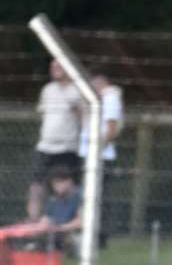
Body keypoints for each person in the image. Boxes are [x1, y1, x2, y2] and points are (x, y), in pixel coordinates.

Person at [27, 61, 82, 222]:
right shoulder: (48, 90)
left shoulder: (78, 90)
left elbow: (84, 118)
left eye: (59, 66)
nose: (54, 69)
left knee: (67, 187)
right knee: (36, 185)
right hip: (45, 146)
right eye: (52, 67)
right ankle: (33, 220)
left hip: (67, 147)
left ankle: (70, 222)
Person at [77, 73, 125, 240]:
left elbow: (111, 128)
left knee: (100, 196)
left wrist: (97, 150)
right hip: (88, 153)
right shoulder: (93, 100)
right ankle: (87, 231)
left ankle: (100, 235)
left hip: (100, 156)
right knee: (89, 195)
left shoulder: (110, 98)